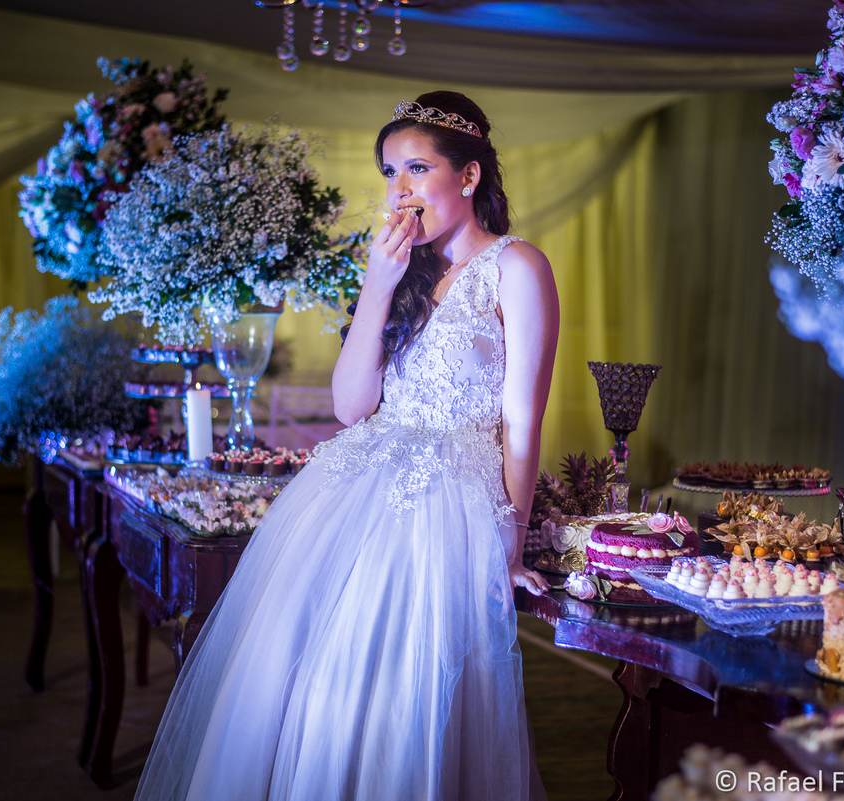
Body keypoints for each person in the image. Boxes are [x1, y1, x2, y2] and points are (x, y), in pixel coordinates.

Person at [134, 90, 558, 801]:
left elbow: (522, 419)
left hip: (450, 505)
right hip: (359, 488)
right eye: (390, 172)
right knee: (310, 689)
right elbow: (351, 405)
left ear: (470, 175)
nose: (401, 190)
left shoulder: (517, 267)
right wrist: (379, 283)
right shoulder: (400, 270)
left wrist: (507, 543)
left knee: (408, 700)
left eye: (418, 169)